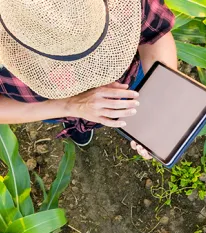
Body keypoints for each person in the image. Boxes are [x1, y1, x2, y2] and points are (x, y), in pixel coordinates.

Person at [0, 0, 177, 159]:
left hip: (128, 82)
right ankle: (78, 128)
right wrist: (70, 106)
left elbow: (155, 34)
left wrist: (160, 103)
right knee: (67, 121)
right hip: (50, 109)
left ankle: (85, 126)